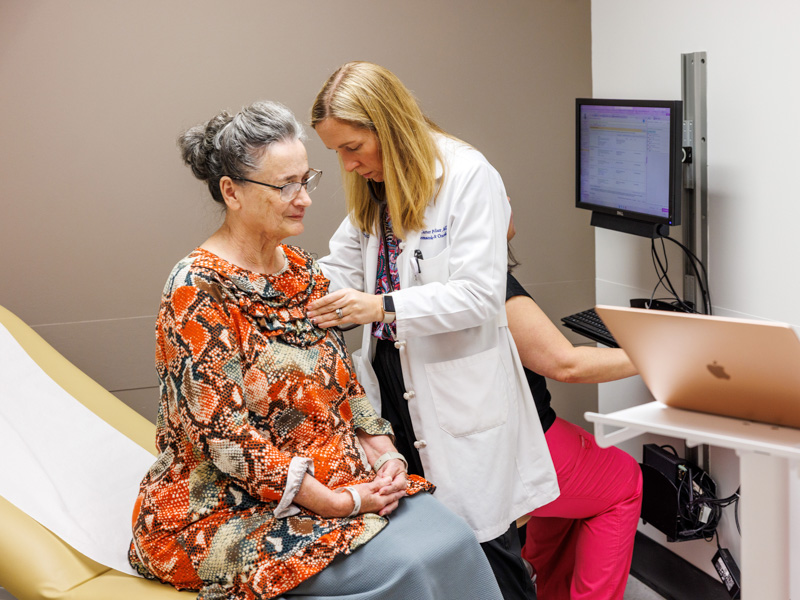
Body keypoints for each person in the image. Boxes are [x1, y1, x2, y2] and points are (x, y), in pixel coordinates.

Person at [128, 100, 503, 600]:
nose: (303, 198)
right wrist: (334, 502)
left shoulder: (302, 271)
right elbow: (225, 438)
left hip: (335, 479)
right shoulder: (197, 288)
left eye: (306, 179)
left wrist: (383, 451)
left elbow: (341, 382)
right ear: (231, 191)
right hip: (226, 506)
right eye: (285, 186)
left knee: (455, 539)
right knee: (407, 567)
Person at [306, 61, 558, 600]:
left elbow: (479, 295)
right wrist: (265, 284)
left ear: (387, 126)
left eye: (353, 147)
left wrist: (379, 306)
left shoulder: (468, 176)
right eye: (337, 153)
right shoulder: (375, 191)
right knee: (429, 545)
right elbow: (337, 268)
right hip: (393, 383)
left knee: (485, 550)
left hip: (457, 395)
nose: (348, 165)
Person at [506, 218, 643, 599]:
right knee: (624, 480)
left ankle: (532, 574)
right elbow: (567, 365)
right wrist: (661, 352)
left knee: (583, 476)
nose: (510, 204)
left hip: (487, 440)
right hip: (518, 444)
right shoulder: (489, 284)